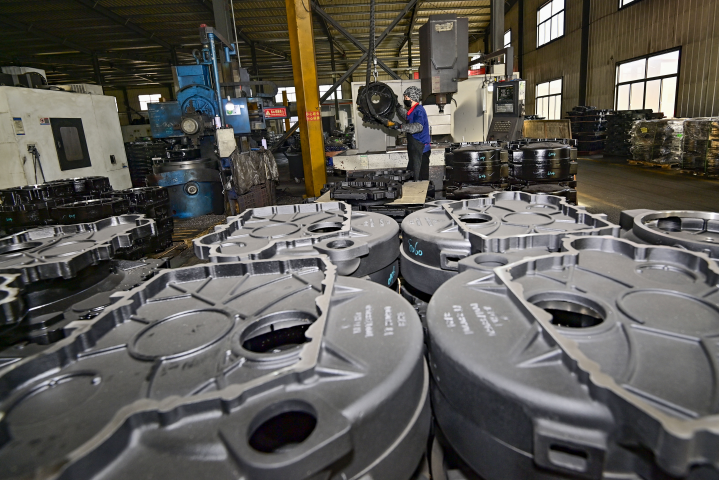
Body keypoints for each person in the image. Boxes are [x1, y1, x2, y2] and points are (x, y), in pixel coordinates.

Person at [381, 86, 431, 180]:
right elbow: (406, 115)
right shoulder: (413, 110)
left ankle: (426, 194)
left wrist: (399, 126)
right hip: (415, 150)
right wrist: (397, 106)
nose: (405, 99)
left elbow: (418, 127)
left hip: (421, 150)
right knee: (411, 175)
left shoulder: (419, 110)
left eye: (406, 97)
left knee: (420, 180)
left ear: (411, 97)